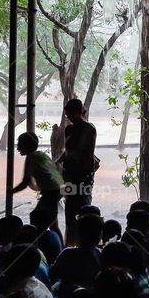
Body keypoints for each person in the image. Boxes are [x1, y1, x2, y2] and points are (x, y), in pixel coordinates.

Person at [58, 98, 97, 245]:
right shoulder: (69, 129)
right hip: (69, 175)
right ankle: (70, 243)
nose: (67, 116)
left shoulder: (89, 129)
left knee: (82, 210)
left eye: (69, 113)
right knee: (69, 211)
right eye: (66, 113)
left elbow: (88, 155)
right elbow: (68, 151)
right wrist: (58, 162)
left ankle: (83, 243)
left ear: (78, 112)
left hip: (82, 176)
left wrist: (83, 177)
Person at [11, 132, 63, 226]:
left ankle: (38, 238)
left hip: (51, 192)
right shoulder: (41, 155)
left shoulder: (31, 157)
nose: (17, 148)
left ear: (26, 145)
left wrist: (11, 191)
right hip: (58, 189)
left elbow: (25, 182)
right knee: (52, 222)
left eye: (19, 145)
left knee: (36, 217)